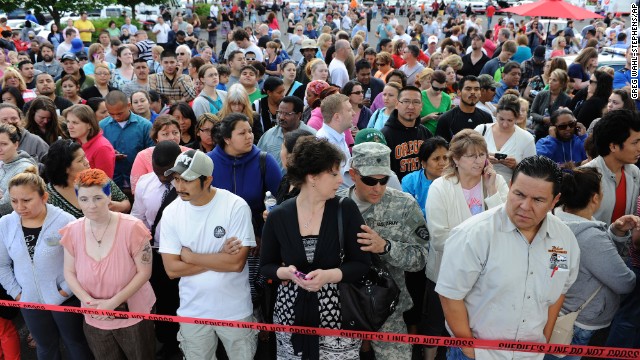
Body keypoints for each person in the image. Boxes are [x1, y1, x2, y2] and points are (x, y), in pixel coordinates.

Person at [437, 155, 580, 359]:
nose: (524, 206)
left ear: (555, 201)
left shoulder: (563, 240)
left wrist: (544, 339)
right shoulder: (472, 235)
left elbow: (559, 289)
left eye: (538, 200)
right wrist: (471, 350)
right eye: (519, 194)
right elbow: (450, 295)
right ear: (510, 185)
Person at [260, 135, 371, 359]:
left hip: (339, 316)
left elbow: (362, 264)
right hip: (290, 315)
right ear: (311, 177)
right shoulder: (279, 216)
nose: (340, 180)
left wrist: (329, 275)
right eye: (333, 174)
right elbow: (266, 266)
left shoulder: (345, 209)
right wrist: (288, 273)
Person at [159, 149, 258, 359]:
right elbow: (171, 269)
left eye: (187, 179)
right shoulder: (171, 212)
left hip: (235, 311)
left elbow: (236, 264)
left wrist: (192, 257)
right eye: (176, 179)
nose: (179, 186)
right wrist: (219, 255)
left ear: (208, 180)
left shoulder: (235, 206)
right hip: (192, 311)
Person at [336, 142, 428, 359]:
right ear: (353, 174)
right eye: (369, 180)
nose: (377, 187)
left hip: (388, 307)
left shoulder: (404, 205)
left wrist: (386, 247)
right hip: (342, 304)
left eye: (383, 180)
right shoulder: (334, 204)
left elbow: (421, 257)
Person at [424, 129, 509, 360]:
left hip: (487, 276)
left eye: (482, 154)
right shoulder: (440, 188)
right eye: (472, 155)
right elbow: (439, 238)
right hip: (445, 272)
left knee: (474, 329)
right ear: (456, 159)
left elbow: (507, 228)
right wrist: (482, 240)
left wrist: (491, 192)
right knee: (435, 327)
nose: (479, 160)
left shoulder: (496, 181)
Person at [542, 168, 637, 360]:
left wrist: (615, 233)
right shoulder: (590, 237)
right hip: (582, 322)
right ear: (595, 198)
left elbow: (560, 270)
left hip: (560, 313)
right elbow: (625, 282)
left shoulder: (557, 224)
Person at [60, 168, 156, 359]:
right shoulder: (72, 230)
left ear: (109, 195)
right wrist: (88, 302)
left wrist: (113, 303)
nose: (91, 206)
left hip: (133, 315)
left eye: (97, 198)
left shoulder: (133, 227)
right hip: (94, 318)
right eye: (84, 199)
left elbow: (144, 272)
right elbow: (69, 272)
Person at [0, 166, 93, 360]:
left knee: (75, 343)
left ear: (44, 197)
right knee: (45, 347)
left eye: (26, 200)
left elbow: (82, 262)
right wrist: (17, 293)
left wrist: (64, 291)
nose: (19, 207)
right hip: (29, 302)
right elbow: (2, 265)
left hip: (66, 299)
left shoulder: (65, 221)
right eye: (14, 201)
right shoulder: (5, 224)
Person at [130, 141, 183, 358]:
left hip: (185, 253)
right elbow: (138, 217)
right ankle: (168, 342)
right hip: (156, 251)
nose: (162, 178)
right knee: (162, 300)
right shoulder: (145, 183)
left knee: (184, 298)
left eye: (167, 173)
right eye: (157, 172)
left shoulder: (192, 183)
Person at [43, 139, 129, 219]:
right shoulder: (49, 195)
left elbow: (126, 203)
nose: (87, 162)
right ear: (65, 168)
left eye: (85, 157)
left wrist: (114, 206)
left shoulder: (98, 178)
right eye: (80, 160)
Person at [583, 109, 640, 226]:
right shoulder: (586, 177)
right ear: (613, 146)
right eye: (635, 143)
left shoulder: (634, 172)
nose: (639, 148)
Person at [99, 90, 154, 191]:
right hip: (112, 183)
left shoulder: (145, 126)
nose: (116, 117)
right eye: (111, 114)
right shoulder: (102, 126)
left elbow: (151, 155)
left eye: (119, 113)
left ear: (129, 105)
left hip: (140, 183)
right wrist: (110, 154)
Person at [475, 94, 536, 181]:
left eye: (510, 120)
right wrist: (484, 159)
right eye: (501, 119)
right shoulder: (481, 130)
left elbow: (532, 172)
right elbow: (466, 157)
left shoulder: (527, 138)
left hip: (509, 189)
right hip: (479, 185)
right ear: (496, 114)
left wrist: (516, 166)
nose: (505, 124)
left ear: (517, 117)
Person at [381, 86, 433, 181]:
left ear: (421, 106)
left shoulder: (426, 133)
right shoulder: (385, 135)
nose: (411, 107)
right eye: (406, 101)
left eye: (416, 102)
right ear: (397, 104)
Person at [130, 115, 189, 194]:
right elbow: (136, 189)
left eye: (175, 133)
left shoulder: (189, 154)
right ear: (156, 137)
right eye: (165, 134)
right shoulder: (143, 156)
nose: (172, 137)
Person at [257, 96, 316, 169]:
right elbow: (258, 161)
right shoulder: (269, 135)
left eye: (287, 114)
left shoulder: (311, 136)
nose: (281, 117)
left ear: (299, 115)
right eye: (279, 112)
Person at [401, 136, 449, 216]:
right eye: (436, 159)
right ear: (423, 163)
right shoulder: (410, 182)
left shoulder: (455, 181)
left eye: (445, 158)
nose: (442, 163)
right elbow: (406, 213)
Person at [435, 75, 493, 142]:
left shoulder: (487, 118)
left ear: (480, 93)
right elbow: (439, 148)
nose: (473, 92)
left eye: (476, 89)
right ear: (459, 92)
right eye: (468, 89)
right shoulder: (446, 119)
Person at [0, 123, 37, 214]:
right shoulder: (2, 162)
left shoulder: (25, 168)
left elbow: (9, 207)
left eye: (4, 144)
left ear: (16, 144)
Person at [317, 93, 355, 175]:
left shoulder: (339, 135)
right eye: (349, 110)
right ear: (337, 117)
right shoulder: (325, 143)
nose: (354, 113)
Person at [530, 69, 573, 141]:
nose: (550, 82)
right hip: (537, 132)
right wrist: (543, 119)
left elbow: (569, 118)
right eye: (550, 79)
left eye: (554, 80)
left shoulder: (566, 99)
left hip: (556, 135)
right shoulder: (541, 95)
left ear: (561, 83)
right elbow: (532, 113)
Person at [419, 70, 452, 135]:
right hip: (423, 136)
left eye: (442, 89)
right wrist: (428, 117)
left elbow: (449, 120)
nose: (438, 92)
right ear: (430, 83)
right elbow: (411, 122)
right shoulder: (420, 96)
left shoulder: (447, 98)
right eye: (435, 88)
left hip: (441, 137)